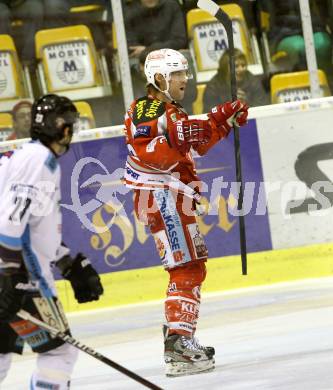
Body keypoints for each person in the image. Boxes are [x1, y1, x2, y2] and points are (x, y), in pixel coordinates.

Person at [123, 48, 248, 376]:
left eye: (184, 73)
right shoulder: (147, 107)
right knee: (186, 267)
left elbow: (195, 142)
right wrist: (212, 119)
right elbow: (160, 148)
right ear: (159, 78)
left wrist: (223, 121)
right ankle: (178, 342)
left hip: (171, 197)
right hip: (163, 196)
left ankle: (178, 334)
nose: (184, 79)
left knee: (190, 265)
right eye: (177, 73)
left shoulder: (170, 109)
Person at [0, 94, 104, 389]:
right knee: (59, 351)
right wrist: (12, 276)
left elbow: (30, 227)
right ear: (62, 127)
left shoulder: (23, 156)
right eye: (70, 124)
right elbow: (10, 220)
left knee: (1, 353)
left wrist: (67, 262)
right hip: (23, 275)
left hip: (8, 268)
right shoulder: (40, 161)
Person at [203, 49, 269, 113]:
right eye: (236, 66)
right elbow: (210, 115)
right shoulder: (213, 87)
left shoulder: (253, 81)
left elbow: (264, 109)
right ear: (225, 68)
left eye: (243, 65)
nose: (241, 69)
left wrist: (246, 104)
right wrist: (231, 105)